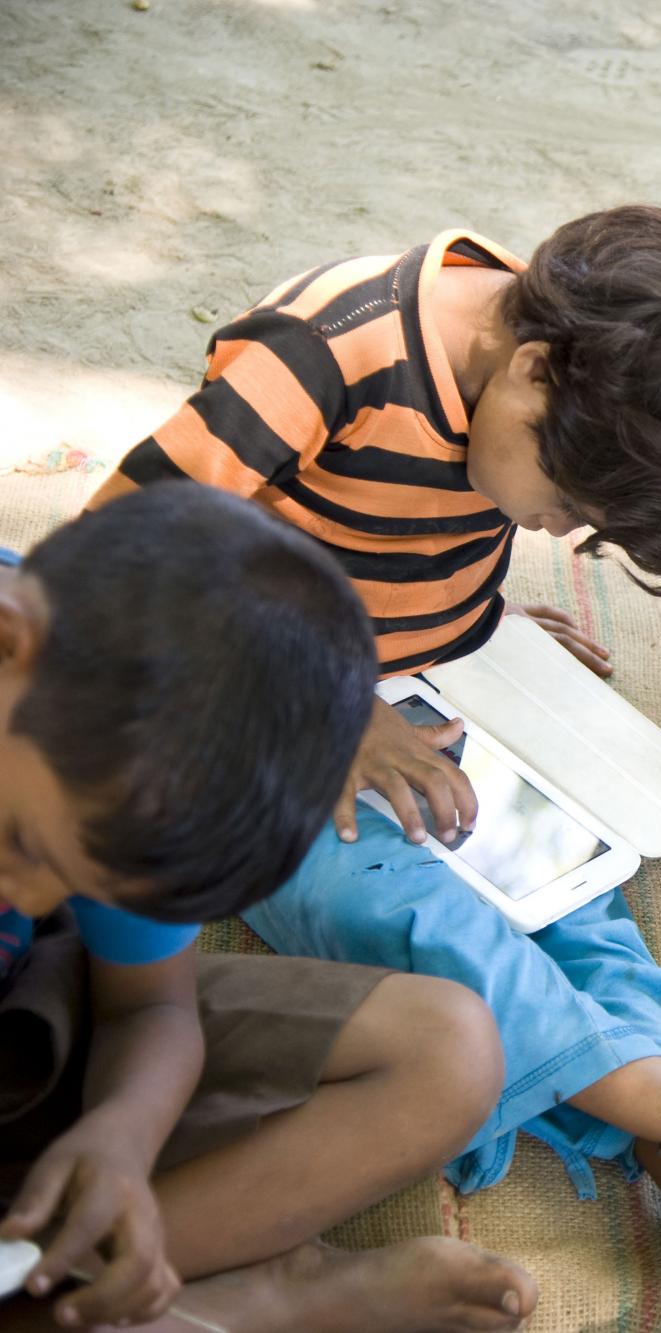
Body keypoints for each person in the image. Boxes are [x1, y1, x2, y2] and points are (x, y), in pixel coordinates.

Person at [91, 208, 661, 1330]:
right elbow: (114, 563)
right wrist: (331, 706)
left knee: (569, 893)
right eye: (565, 508)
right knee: (429, 926)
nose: (556, 528)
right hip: (245, 723)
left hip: (412, 696)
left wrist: (480, 621)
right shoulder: (322, 355)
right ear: (528, 373)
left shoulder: (581, 362)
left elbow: (396, 532)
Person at [0, 484, 536, 1333]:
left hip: (30, 1016)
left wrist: (122, 1137)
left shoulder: (123, 749)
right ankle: (224, 1303)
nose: (26, 897)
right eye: (26, 843)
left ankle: (94, 1281)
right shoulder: (98, 698)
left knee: (450, 1048)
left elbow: (147, 1003)